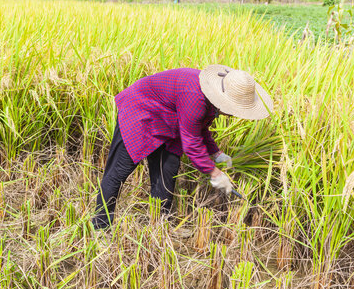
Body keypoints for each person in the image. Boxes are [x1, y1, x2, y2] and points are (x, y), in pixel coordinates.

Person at [92, 65, 273, 229]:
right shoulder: (196, 97)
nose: (234, 114)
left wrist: (216, 153)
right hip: (140, 110)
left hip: (168, 120)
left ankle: (159, 227)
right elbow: (192, 143)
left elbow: (200, 127)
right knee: (118, 172)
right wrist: (215, 173)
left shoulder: (210, 99)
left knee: (167, 174)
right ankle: (100, 227)